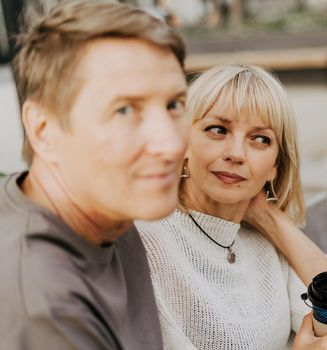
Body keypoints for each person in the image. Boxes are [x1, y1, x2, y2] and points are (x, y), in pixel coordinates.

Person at [136, 63, 327, 350]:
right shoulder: (146, 243)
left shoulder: (265, 243)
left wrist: (269, 218)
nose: (236, 154)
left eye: (260, 139)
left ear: (275, 168)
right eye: (218, 130)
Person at [0, 1, 189, 348]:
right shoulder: (43, 303)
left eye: (174, 104)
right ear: (42, 130)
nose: (171, 144)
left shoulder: (109, 204)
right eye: (124, 110)